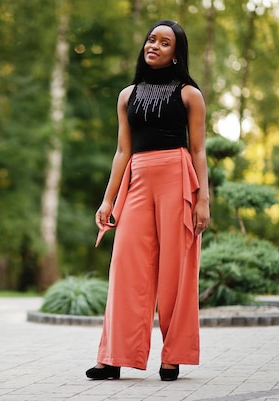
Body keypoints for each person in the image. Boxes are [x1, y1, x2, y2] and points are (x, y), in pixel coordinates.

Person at [86, 19, 210, 382]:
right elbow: (122, 150)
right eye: (151, 39)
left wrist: (203, 200)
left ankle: (172, 357)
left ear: (176, 54)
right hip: (137, 178)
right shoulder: (127, 95)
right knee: (126, 268)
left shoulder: (190, 94)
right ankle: (113, 358)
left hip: (177, 175)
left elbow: (199, 150)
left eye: (165, 42)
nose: (154, 45)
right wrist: (107, 201)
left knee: (176, 271)